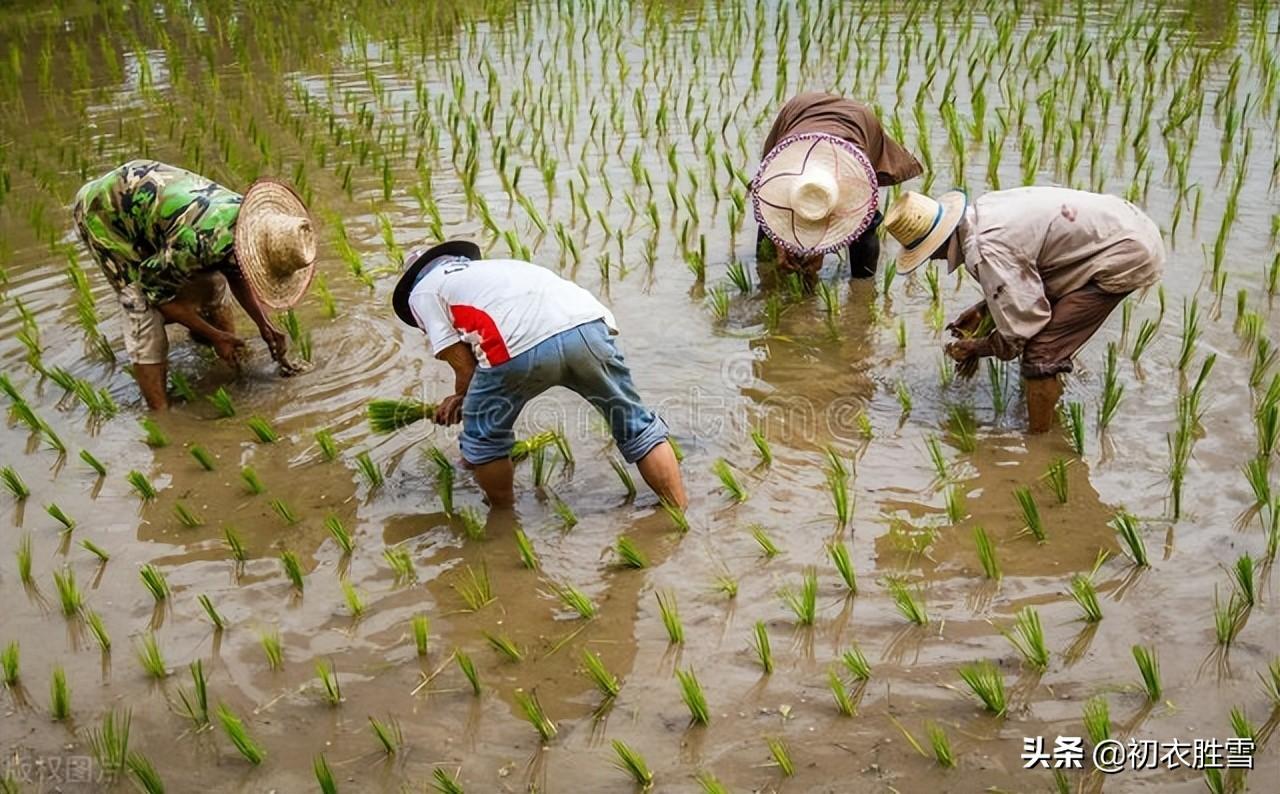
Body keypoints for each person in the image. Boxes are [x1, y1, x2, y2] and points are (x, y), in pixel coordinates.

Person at [391, 240, 687, 510]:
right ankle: (679, 512)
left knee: (484, 440)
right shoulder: (496, 268)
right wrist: (465, 399)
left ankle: (504, 526)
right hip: (588, 325)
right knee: (635, 425)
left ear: (414, 282)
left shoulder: (422, 292)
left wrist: (463, 402)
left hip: (517, 349)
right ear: (453, 259)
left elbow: (466, 368)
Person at [883, 187, 1165, 432]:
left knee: (1041, 354)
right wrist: (985, 310)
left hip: (1128, 254)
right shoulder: (983, 211)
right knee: (1046, 339)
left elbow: (1020, 332)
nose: (931, 259)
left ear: (935, 245)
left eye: (927, 253)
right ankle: (1047, 405)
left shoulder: (983, 249)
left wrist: (976, 348)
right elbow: (1030, 275)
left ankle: (1039, 443)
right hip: (1127, 222)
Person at [73, 160, 316, 410]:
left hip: (157, 214)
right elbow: (158, 295)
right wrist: (217, 336)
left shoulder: (251, 224)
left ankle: (221, 354)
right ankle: (161, 415)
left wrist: (265, 325)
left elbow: (237, 273)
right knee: (141, 309)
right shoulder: (197, 241)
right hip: (104, 213)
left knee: (214, 285)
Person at [755, 93, 922, 285]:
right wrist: (779, 243)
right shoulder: (781, 165)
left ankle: (864, 285)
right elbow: (768, 207)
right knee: (769, 210)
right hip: (801, 110)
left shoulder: (853, 168)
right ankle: (767, 278)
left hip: (856, 120)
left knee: (863, 220)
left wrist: (820, 250)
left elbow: (846, 210)